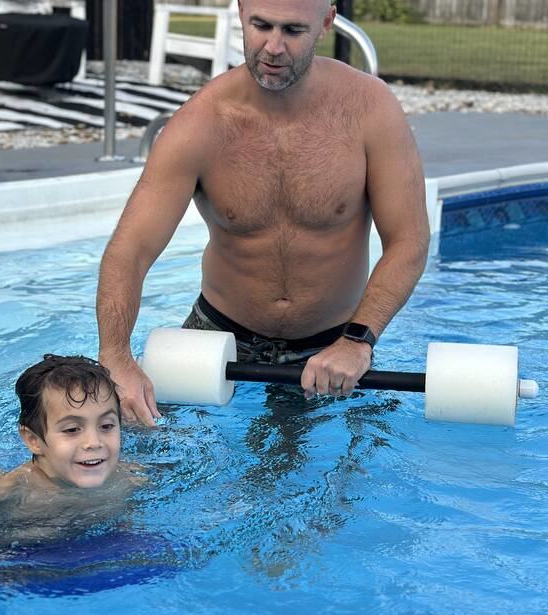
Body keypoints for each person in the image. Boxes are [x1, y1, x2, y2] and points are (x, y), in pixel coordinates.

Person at [96, 0, 430, 426]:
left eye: (292, 30)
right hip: (215, 338)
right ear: (240, 12)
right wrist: (116, 356)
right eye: (261, 25)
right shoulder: (201, 123)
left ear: (326, 22)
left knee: (321, 482)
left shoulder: (369, 110)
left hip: (333, 349)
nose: (273, 47)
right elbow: (130, 250)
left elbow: (409, 242)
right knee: (140, 454)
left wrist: (357, 341)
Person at [0, 354, 144, 550]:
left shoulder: (130, 477)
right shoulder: (10, 489)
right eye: (72, 429)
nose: (93, 442)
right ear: (34, 440)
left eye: (106, 426)